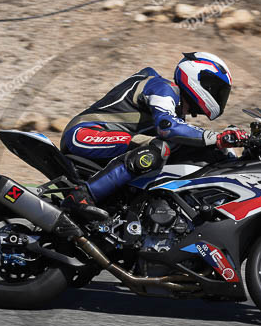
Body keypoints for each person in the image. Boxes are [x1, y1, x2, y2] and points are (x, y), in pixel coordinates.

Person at [59, 52, 248, 219]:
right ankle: (81, 196)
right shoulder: (163, 88)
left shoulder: (177, 111)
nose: (218, 96)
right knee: (157, 150)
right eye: (215, 88)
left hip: (106, 142)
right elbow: (168, 127)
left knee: (183, 151)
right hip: (84, 134)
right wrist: (218, 138)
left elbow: (182, 133)